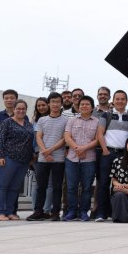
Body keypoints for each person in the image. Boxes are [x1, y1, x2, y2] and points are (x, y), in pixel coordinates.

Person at [95, 89, 128, 222]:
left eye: (122, 99)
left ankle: (116, 211)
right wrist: (105, 150)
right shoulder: (105, 115)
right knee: (104, 183)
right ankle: (101, 212)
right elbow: (100, 133)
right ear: (113, 100)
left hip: (124, 154)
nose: (120, 101)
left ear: (126, 101)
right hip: (108, 152)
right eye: (117, 99)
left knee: (121, 184)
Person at [27, 92, 68, 222]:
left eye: (57, 101)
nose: (55, 104)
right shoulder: (42, 120)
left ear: (61, 104)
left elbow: (64, 139)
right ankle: (38, 211)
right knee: (41, 186)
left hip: (59, 158)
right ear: (49, 103)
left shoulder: (66, 120)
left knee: (57, 186)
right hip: (43, 158)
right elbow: (38, 136)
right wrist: (44, 151)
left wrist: (50, 150)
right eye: (52, 101)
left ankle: (55, 213)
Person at [0, 99, 33, 221]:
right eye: (18, 108)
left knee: (14, 188)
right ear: (14, 109)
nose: (21, 111)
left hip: (23, 161)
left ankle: (10, 212)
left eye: (23, 109)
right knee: (2, 186)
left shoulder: (28, 124)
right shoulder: (7, 122)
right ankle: (0, 212)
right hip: (8, 159)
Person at [63, 95, 99, 221]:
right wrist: (77, 149)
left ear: (92, 107)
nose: (84, 106)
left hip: (89, 159)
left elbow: (97, 139)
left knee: (87, 187)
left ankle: (84, 211)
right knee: (71, 186)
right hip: (72, 158)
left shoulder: (97, 121)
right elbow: (67, 136)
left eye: (87, 104)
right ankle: (72, 211)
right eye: (82, 104)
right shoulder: (72, 120)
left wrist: (84, 149)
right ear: (78, 107)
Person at [0, 89, 18, 220]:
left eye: (12, 98)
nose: (9, 100)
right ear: (4, 100)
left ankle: (11, 211)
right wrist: (3, 146)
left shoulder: (22, 115)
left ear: (16, 99)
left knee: (14, 184)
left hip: (16, 156)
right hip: (0, 155)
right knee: (0, 184)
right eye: (7, 98)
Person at [29, 97, 51, 215]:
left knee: (50, 184)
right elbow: (31, 139)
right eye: (39, 105)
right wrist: (32, 154)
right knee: (37, 183)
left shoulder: (53, 118)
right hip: (36, 155)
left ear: (48, 105)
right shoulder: (34, 121)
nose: (41, 107)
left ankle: (47, 210)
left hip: (52, 154)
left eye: (43, 105)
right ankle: (36, 210)